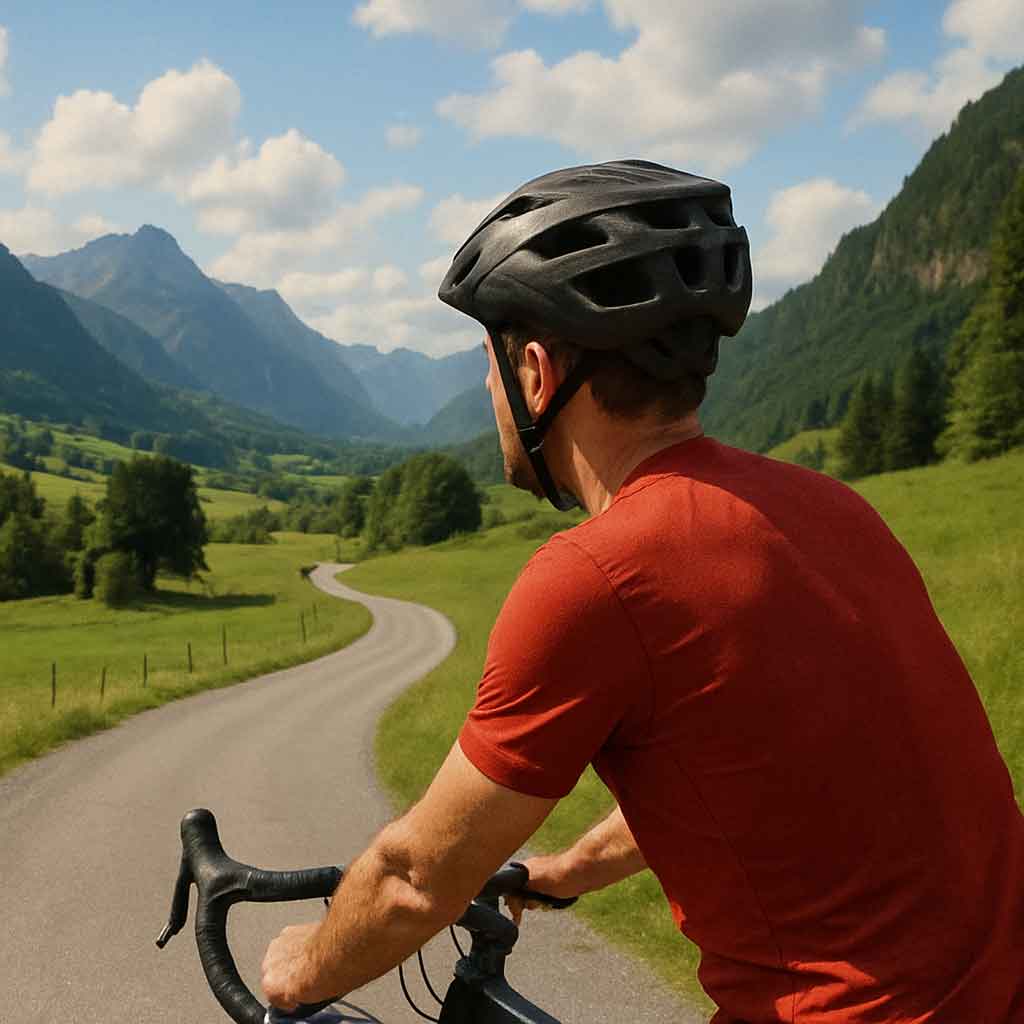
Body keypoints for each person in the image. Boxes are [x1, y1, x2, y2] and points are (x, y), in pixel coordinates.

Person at [261, 161, 1024, 1022]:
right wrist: (573, 868)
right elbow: (758, 771)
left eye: (491, 367)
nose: (488, 393)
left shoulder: (596, 574)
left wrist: (302, 967)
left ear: (538, 375)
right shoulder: (834, 509)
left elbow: (413, 878)